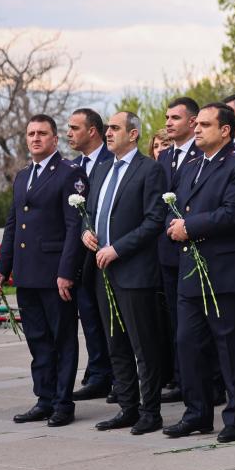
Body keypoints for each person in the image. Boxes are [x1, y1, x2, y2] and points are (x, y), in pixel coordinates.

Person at [162, 103, 235, 443]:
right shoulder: (191, 165)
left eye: (205, 124)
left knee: (231, 349)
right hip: (192, 271)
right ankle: (197, 413)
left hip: (226, 272)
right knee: (188, 344)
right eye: (197, 124)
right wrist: (174, 225)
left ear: (225, 130)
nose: (197, 129)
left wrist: (188, 227)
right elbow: (172, 206)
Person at [80, 111, 168, 434]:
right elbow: (90, 212)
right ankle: (127, 408)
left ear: (133, 134)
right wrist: (86, 232)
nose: (108, 133)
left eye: (115, 128)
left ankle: (150, 412)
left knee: (143, 345)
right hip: (103, 271)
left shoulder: (149, 170)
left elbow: (154, 220)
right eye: (107, 128)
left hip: (134, 270)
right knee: (115, 343)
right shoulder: (103, 169)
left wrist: (117, 248)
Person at [0, 115, 85, 427]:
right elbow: (13, 225)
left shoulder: (69, 173)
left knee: (62, 339)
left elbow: (75, 227)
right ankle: (44, 399)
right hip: (27, 273)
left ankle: (63, 403)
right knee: (37, 339)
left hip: (55, 274)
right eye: (31, 133)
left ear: (55, 139)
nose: (35, 138)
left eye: (42, 133)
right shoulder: (23, 176)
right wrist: (2, 267)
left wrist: (66, 272)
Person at [157, 97, 202, 404]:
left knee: (199, 323)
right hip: (168, 249)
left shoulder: (201, 154)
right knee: (176, 319)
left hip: (196, 247)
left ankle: (209, 382)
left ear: (192, 122)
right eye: (167, 117)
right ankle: (181, 379)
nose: (169, 123)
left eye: (175, 117)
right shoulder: (164, 157)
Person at [66, 108, 113, 401]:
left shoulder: (112, 162)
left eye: (75, 128)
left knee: (112, 320)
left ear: (92, 130)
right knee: (90, 319)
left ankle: (118, 376)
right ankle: (98, 374)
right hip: (81, 256)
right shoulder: (73, 167)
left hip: (108, 253)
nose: (68, 133)